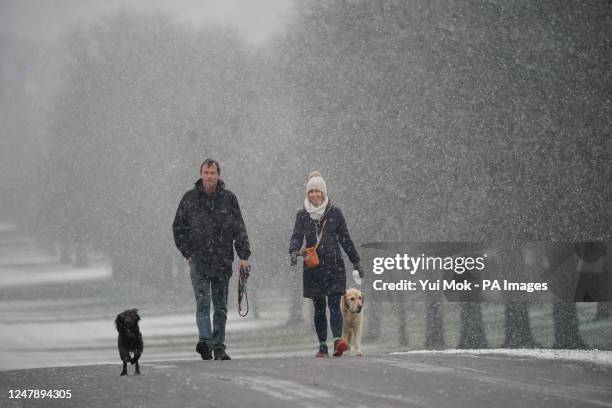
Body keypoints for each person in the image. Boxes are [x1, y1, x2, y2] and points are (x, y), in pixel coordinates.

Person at [173, 159, 250, 360]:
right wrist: (187, 252)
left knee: (221, 307)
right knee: (203, 304)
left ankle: (219, 347)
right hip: (198, 261)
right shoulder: (189, 199)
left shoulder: (229, 199)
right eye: (206, 172)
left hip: (223, 261)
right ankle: (205, 342)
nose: (209, 176)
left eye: (212, 173)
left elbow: (239, 228)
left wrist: (244, 256)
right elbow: (178, 228)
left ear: (218, 175)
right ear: (201, 174)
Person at [289, 171, 362, 357]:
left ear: (324, 192)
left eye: (318, 191)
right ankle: (322, 346)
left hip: (334, 266)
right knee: (319, 308)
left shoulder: (335, 213)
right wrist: (293, 250)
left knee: (334, 305)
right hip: (313, 268)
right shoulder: (302, 215)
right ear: (307, 194)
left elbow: (345, 239)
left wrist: (356, 261)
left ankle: (338, 341)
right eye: (311, 191)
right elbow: (297, 235)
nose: (314, 195)